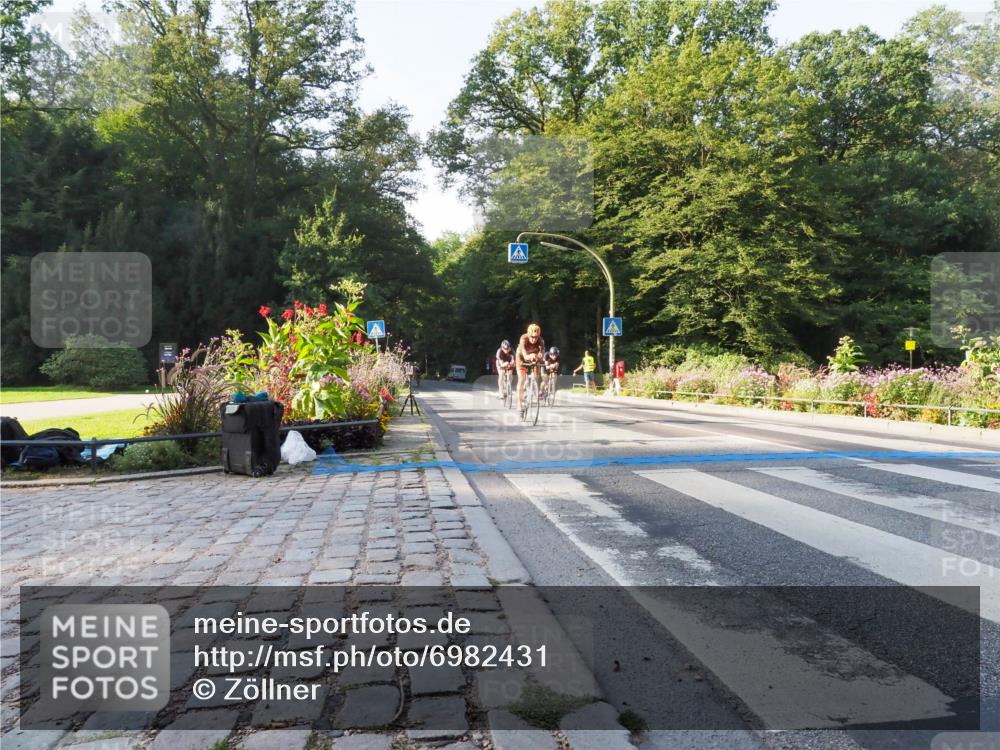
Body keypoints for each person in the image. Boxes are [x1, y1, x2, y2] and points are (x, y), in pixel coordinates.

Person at [516, 323, 545, 410]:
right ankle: (519, 403)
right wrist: (532, 355)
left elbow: (542, 355)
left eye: (536, 337)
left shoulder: (541, 341)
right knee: (522, 379)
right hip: (521, 358)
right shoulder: (523, 339)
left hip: (533, 358)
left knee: (536, 376)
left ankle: (532, 389)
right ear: (528, 335)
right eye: (532, 337)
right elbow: (525, 356)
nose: (534, 339)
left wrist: (540, 356)